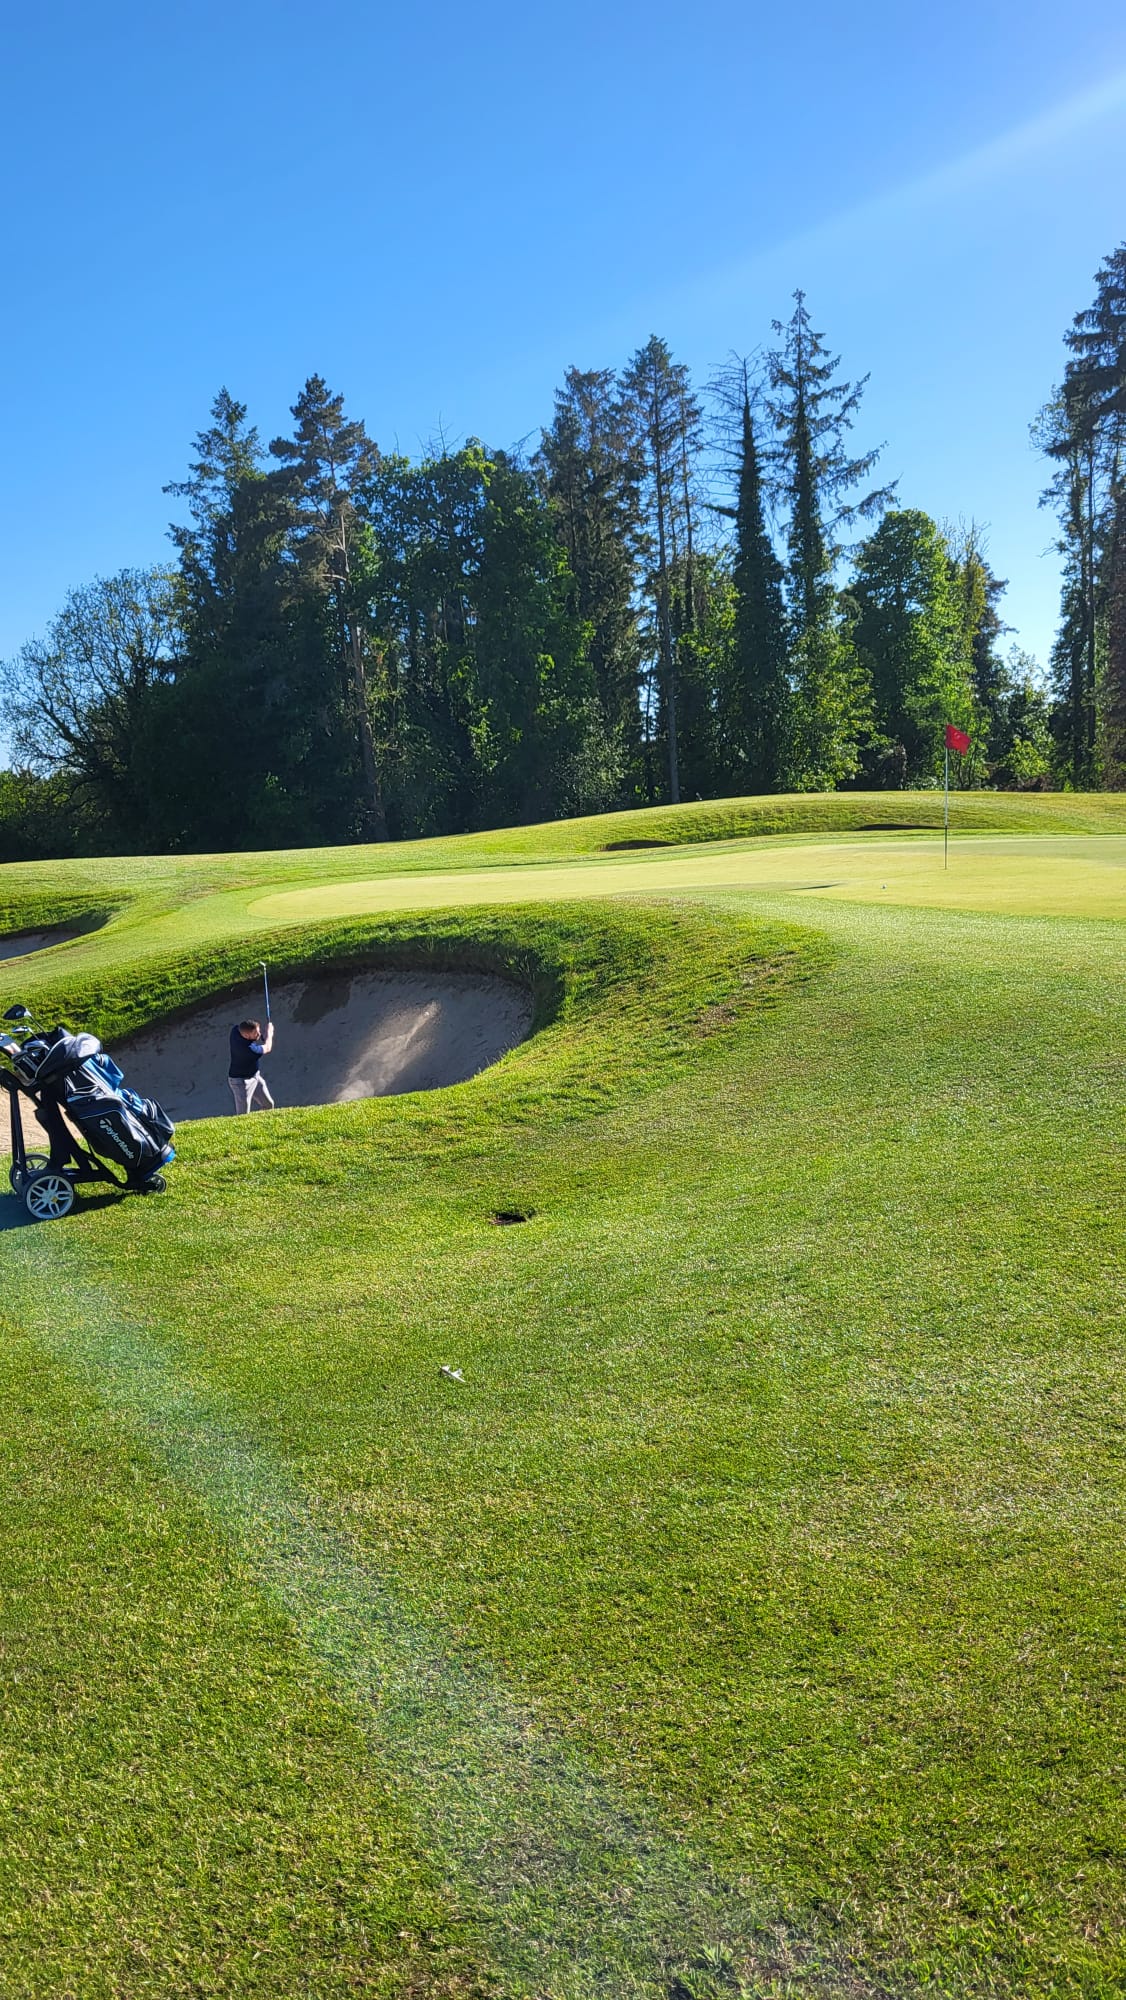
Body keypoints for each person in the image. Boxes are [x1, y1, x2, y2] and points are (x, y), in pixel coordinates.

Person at [228, 1017, 275, 1113]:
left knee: (268, 1105)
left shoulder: (235, 1031)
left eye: (258, 1031)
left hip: (255, 1077)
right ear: (246, 1035)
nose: (258, 1034)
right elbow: (268, 1048)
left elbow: (246, 1029)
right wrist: (270, 1034)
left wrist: (262, 1036)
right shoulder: (250, 1050)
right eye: (256, 1033)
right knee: (243, 1114)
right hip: (241, 1082)